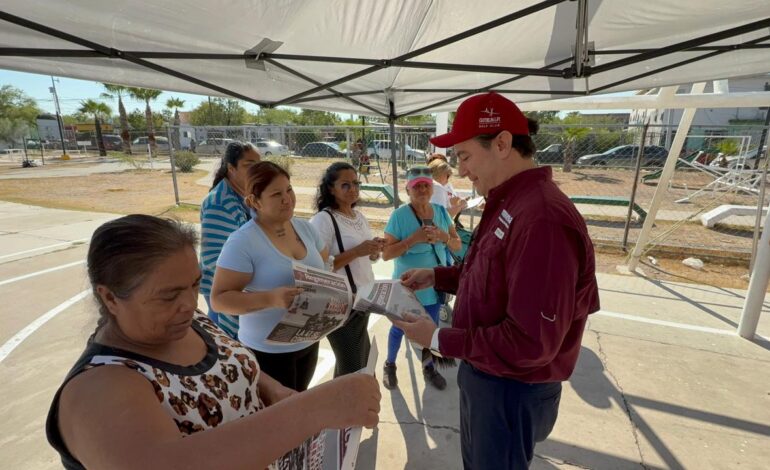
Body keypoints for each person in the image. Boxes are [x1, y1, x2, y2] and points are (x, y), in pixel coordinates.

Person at [46, 215, 380, 470]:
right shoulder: (98, 389)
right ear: (110, 297)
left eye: (194, 285)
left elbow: (229, 366)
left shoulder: (188, 322)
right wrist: (313, 409)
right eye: (168, 296)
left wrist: (273, 390)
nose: (190, 303)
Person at [394, 92, 600, 469]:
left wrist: (437, 338)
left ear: (502, 144)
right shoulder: (509, 201)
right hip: (488, 375)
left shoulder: (542, 219)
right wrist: (438, 275)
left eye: (465, 156)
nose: (461, 171)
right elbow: (491, 274)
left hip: (510, 389)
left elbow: (530, 342)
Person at [211, 161, 328, 392]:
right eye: (276, 194)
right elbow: (219, 299)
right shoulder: (243, 242)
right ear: (255, 201)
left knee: (299, 402)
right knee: (282, 418)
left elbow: (325, 263)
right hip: (267, 352)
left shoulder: (305, 229)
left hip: (308, 340)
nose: (288, 199)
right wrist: (271, 299)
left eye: (289, 189)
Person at [381, 165, 462, 391]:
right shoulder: (399, 216)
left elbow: (456, 244)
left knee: (431, 328)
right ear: (408, 190)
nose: (422, 190)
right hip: (407, 287)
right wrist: (413, 239)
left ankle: (429, 367)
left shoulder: (441, 212)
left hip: (434, 286)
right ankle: (390, 364)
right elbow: (386, 254)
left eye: (426, 185)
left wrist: (444, 236)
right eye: (417, 186)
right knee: (399, 328)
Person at [309, 162, 385, 376]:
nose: (353, 189)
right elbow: (317, 267)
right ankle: (343, 406)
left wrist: (374, 250)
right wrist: (357, 251)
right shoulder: (324, 220)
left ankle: (346, 405)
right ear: (330, 188)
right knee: (352, 365)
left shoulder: (358, 216)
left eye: (356, 183)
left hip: (362, 300)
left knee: (360, 361)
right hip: (339, 304)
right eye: (345, 185)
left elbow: (367, 259)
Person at [199, 141, 260, 337]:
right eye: (249, 165)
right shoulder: (220, 203)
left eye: (259, 165)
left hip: (240, 289)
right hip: (224, 293)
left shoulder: (244, 196)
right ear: (231, 168)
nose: (256, 171)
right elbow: (213, 259)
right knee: (229, 348)